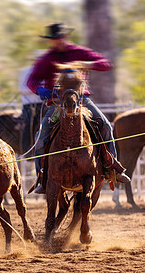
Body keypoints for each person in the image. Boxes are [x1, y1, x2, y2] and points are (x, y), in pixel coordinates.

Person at [27, 22, 130, 194]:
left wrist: (89, 65)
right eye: (54, 39)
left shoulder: (79, 53)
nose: (58, 41)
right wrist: (39, 89)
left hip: (82, 100)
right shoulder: (47, 59)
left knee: (105, 125)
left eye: (60, 37)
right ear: (51, 41)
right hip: (58, 102)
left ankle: (112, 168)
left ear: (65, 36)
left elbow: (105, 63)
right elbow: (32, 80)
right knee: (41, 135)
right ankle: (42, 176)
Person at [19, 49, 46, 155]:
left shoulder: (46, 72)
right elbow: (22, 88)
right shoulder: (25, 72)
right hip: (29, 104)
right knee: (29, 123)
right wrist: (37, 90)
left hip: (43, 104)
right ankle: (27, 150)